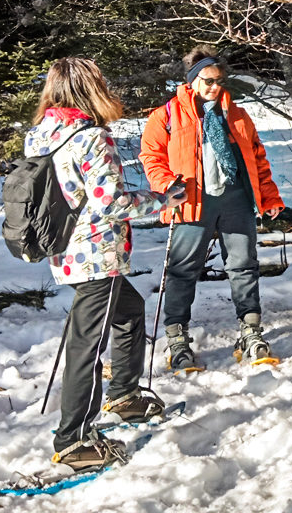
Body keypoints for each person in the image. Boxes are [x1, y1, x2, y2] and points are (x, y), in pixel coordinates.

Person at [27, 58, 186, 470]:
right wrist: (163, 199)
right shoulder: (92, 137)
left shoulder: (42, 133)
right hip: (98, 253)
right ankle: (73, 439)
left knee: (130, 311)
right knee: (88, 343)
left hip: (66, 250)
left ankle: (125, 395)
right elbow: (110, 202)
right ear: (90, 89)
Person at [139, 46, 285, 370]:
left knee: (244, 265)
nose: (214, 87)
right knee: (182, 270)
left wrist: (269, 196)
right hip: (190, 201)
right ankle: (177, 339)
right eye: (207, 80)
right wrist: (166, 185)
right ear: (191, 80)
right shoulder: (165, 116)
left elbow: (257, 159)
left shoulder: (236, 114)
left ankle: (250, 332)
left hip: (236, 198)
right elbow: (151, 157)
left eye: (218, 80)